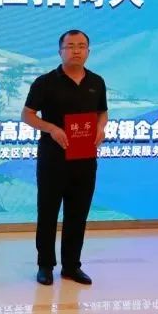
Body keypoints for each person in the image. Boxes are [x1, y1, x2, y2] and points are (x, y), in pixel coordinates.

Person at [21, 29, 108, 286]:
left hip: (85, 159)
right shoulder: (45, 82)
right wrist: (51, 128)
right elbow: (27, 115)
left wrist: (101, 128)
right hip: (53, 159)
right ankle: (45, 265)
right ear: (60, 51)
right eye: (70, 46)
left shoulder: (97, 82)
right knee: (48, 213)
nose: (76, 50)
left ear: (88, 51)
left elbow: (102, 112)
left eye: (81, 46)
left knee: (77, 214)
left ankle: (71, 266)